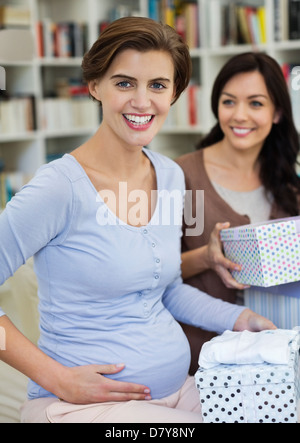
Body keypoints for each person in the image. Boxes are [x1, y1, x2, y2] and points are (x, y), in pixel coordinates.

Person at [0, 21, 274, 424]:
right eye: (125, 83)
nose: (142, 102)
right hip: (79, 405)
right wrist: (57, 378)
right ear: (95, 85)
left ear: (175, 93)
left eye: (158, 86)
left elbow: (166, 290)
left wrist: (240, 320)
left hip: (178, 389)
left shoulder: (170, 176)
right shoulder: (59, 188)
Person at [176, 52, 300, 374]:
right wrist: (207, 256)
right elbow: (153, 271)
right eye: (229, 102)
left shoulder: (289, 184)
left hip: (279, 359)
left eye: (256, 103)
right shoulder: (181, 177)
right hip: (205, 360)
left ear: (277, 113)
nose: (240, 115)